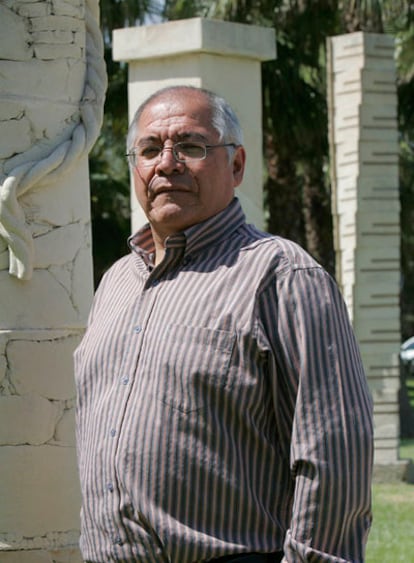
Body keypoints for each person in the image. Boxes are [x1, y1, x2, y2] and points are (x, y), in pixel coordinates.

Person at [74, 85, 373, 563]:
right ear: (136, 167)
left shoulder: (282, 275)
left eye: (191, 147)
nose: (166, 163)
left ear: (236, 166)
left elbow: (334, 458)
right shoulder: (115, 283)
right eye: (150, 150)